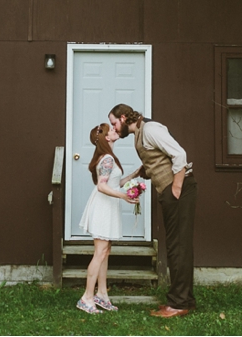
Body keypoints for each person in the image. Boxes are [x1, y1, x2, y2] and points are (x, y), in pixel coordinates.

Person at [108, 104, 196, 318]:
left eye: (113, 124)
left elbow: (179, 155)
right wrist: (129, 178)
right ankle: (185, 299)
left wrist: (175, 189)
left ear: (123, 118)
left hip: (178, 191)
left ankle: (178, 304)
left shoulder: (150, 129)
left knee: (178, 246)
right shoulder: (140, 133)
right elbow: (152, 163)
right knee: (177, 245)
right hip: (170, 191)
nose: (114, 128)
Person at [76, 123, 141, 314]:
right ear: (106, 138)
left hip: (108, 206)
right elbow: (102, 187)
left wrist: (136, 173)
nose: (114, 130)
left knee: (105, 251)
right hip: (103, 207)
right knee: (100, 252)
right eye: (110, 130)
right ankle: (86, 297)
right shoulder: (107, 160)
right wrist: (125, 196)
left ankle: (102, 294)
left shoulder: (109, 158)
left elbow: (115, 182)